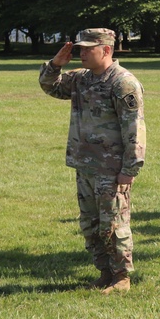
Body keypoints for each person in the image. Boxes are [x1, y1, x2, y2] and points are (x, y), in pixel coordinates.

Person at [39, 28, 145, 294]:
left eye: (87, 49)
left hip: (111, 168)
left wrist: (129, 169)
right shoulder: (80, 78)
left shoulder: (123, 83)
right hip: (85, 164)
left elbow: (134, 129)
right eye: (80, 48)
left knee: (114, 224)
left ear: (106, 50)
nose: (81, 53)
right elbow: (49, 86)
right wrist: (55, 65)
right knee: (91, 224)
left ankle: (122, 277)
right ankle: (105, 272)